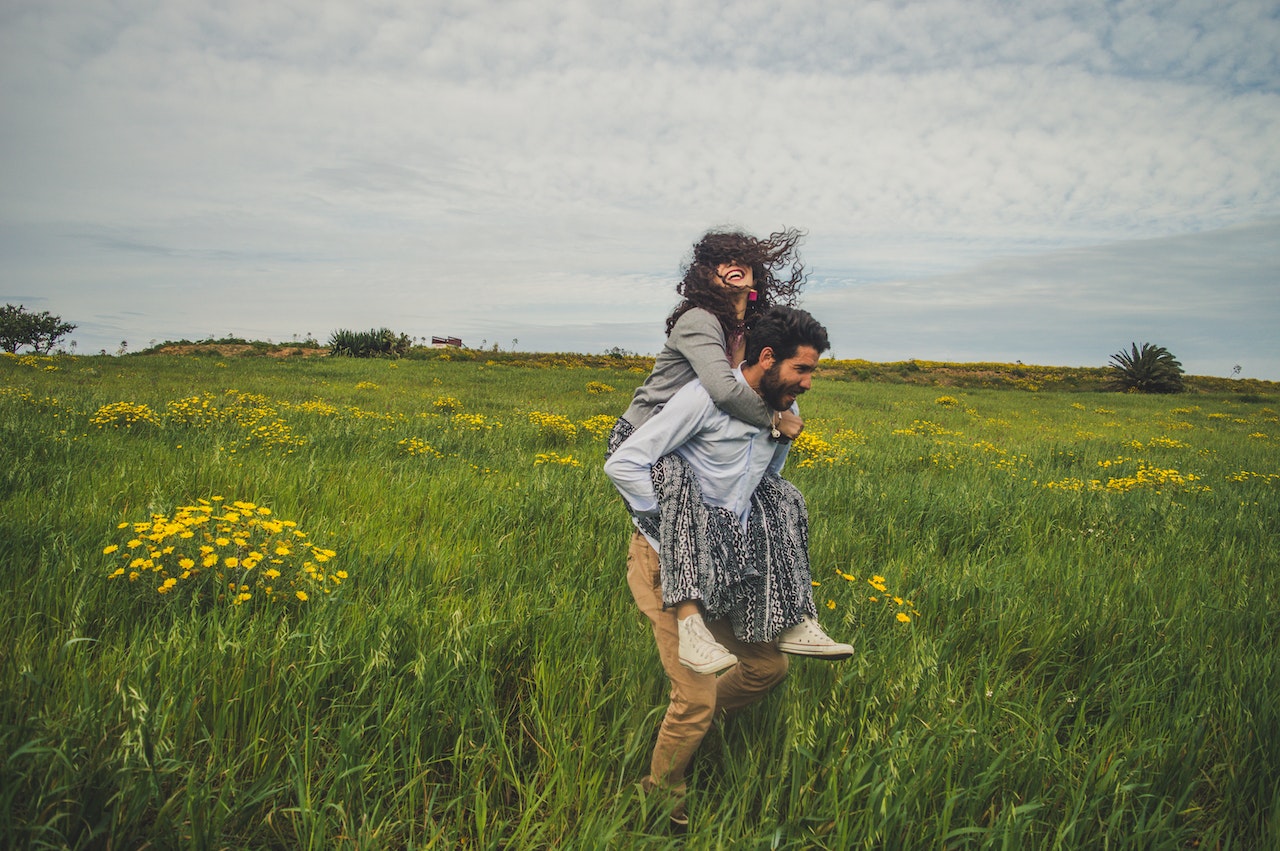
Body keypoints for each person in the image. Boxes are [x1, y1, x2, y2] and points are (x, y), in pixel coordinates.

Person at [604, 306, 850, 830]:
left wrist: (783, 441)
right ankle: (658, 802)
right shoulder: (702, 402)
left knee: (767, 667)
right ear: (767, 358)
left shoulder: (771, 410)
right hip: (666, 561)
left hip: (726, 560)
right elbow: (623, 462)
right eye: (802, 370)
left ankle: (693, 732)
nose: (809, 383)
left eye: (812, 372)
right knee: (693, 696)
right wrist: (676, 527)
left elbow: (758, 483)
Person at [607, 229, 847, 676]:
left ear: (755, 272)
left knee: (777, 497)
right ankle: (691, 623)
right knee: (683, 499)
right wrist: (775, 420)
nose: (731, 265)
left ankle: (789, 618)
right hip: (646, 434)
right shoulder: (700, 319)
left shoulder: (751, 328)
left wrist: (779, 420)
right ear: (705, 274)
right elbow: (720, 388)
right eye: (719, 260)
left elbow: (752, 379)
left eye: (741, 258)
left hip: (698, 436)